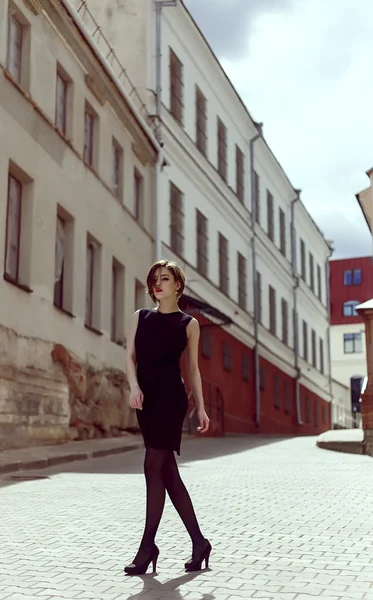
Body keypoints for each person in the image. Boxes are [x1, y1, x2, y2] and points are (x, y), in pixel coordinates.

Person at [124, 259, 212, 576]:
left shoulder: (188, 324)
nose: (158, 284)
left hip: (170, 401)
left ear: (178, 285)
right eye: (154, 279)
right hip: (144, 401)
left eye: (165, 278)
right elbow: (130, 357)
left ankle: (147, 547)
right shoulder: (141, 317)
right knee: (169, 476)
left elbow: (193, 369)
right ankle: (200, 542)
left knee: (152, 466)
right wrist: (133, 386)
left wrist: (200, 407)